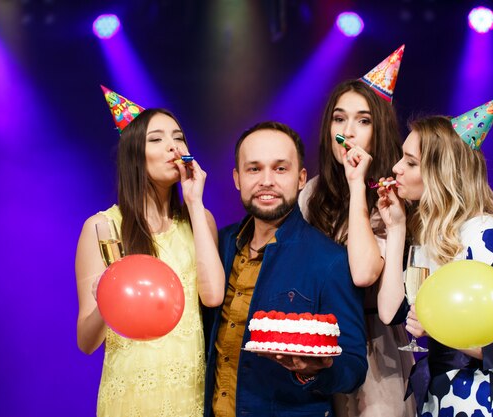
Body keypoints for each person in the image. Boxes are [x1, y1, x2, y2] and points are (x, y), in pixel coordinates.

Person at [76, 87, 225, 417]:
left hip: (189, 395)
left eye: (179, 137)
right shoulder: (102, 228)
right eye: (157, 139)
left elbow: (213, 296)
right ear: (134, 154)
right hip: (129, 397)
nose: (174, 146)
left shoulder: (200, 220)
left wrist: (195, 203)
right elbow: (86, 342)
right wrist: (106, 298)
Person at [203, 121, 368, 417]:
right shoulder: (218, 246)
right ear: (237, 178)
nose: (267, 180)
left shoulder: (329, 260)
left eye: (281, 169)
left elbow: (354, 367)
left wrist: (313, 370)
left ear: (301, 178)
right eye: (254, 169)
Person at [376, 93, 493, 416]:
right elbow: (390, 312)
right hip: (436, 397)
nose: (397, 168)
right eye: (402, 158)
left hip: (477, 401)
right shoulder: (427, 235)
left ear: (440, 172)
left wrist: (437, 327)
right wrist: (397, 228)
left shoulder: (483, 233)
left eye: (411, 162)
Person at [299, 46, 416, 417]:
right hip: (318, 344)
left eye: (362, 120)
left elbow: (365, 273)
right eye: (339, 119)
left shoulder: (389, 196)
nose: (347, 131)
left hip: (376, 347)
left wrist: (356, 186)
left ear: (378, 128)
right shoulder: (312, 193)